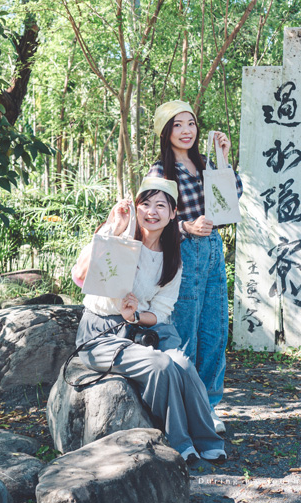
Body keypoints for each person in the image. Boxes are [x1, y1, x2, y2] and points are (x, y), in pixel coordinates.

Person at [70, 176, 226, 463]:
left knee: (182, 365)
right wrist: (113, 229)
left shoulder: (171, 258)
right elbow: (80, 275)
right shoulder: (118, 236)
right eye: (145, 204)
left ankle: (207, 439)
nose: (151, 212)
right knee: (161, 365)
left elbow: (163, 310)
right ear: (136, 207)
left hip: (142, 328)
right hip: (102, 333)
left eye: (160, 205)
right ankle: (178, 442)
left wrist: (137, 315)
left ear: (173, 213)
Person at [146, 100, 242, 434]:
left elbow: (233, 197)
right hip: (182, 253)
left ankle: (210, 405)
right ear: (165, 132)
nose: (187, 131)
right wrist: (185, 226)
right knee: (184, 330)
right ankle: (184, 409)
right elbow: (151, 218)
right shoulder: (160, 172)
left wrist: (224, 159)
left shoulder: (205, 163)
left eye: (191, 123)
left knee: (214, 329)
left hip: (213, 250)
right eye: (178, 125)